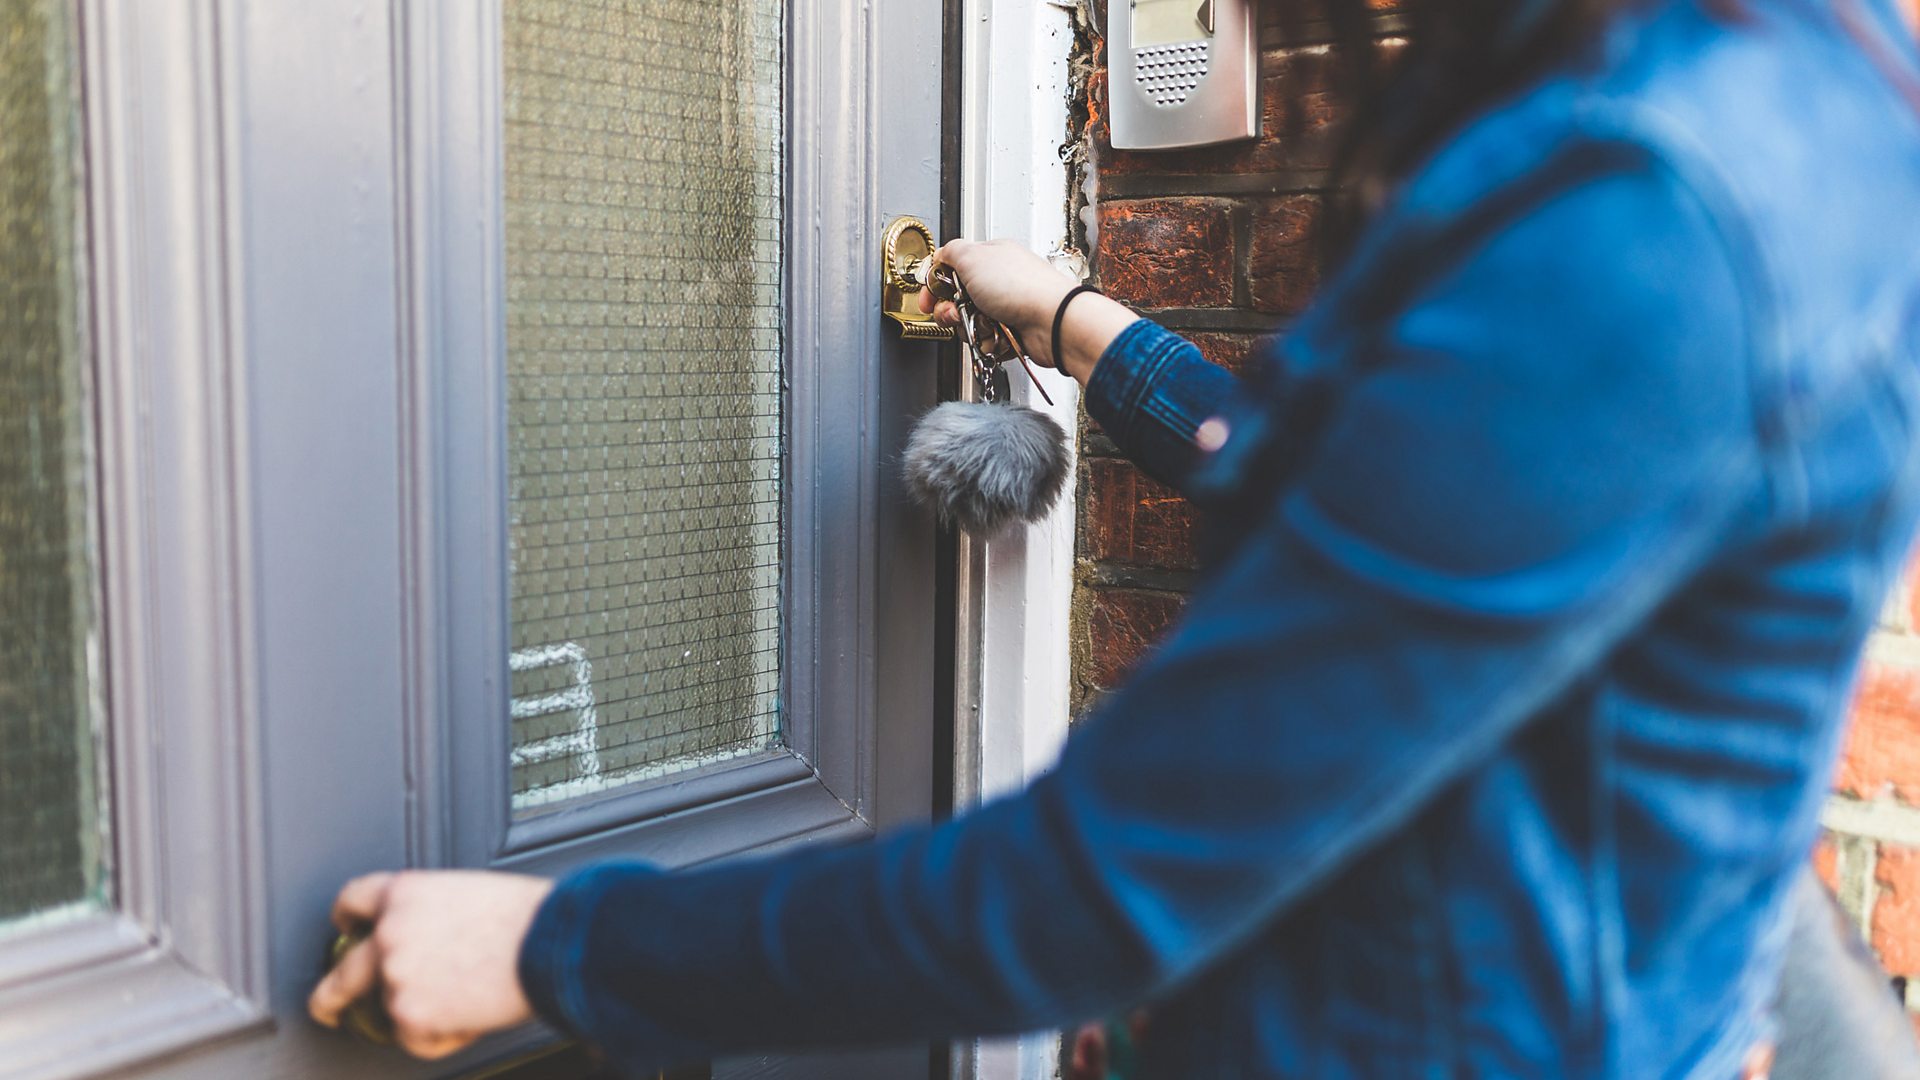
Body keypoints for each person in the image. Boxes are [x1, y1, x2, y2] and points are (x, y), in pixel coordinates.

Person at [309, 0, 1920, 1074]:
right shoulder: (1757, 121)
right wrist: (1083, 327)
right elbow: (1382, 555)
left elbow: (1088, 893)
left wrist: (560, 941)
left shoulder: (1651, 217)